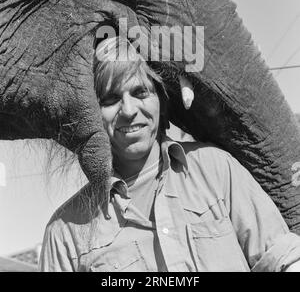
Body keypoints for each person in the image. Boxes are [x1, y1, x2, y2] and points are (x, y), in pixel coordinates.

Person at [39, 37, 300, 272]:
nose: (128, 110)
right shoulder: (65, 234)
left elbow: (283, 259)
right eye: (111, 99)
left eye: (140, 92)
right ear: (91, 114)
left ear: (162, 103)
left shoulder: (214, 168)